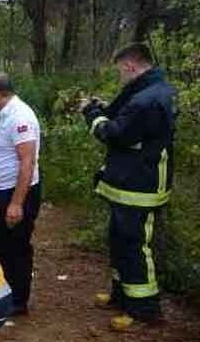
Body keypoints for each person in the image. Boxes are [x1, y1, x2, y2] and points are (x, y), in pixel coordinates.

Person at [81, 43, 176, 331]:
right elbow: (125, 114)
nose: (120, 75)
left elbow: (116, 134)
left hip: (141, 186)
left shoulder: (147, 99)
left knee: (134, 246)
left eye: (120, 70)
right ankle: (122, 296)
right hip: (130, 181)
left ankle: (146, 311)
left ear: (130, 66)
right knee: (120, 240)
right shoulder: (149, 90)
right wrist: (104, 107)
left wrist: (91, 115)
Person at [0, 71, 41, 316]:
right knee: (2, 243)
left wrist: (16, 204)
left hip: (18, 194)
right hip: (4, 191)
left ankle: (18, 300)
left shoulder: (19, 117)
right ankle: (4, 293)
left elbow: (27, 162)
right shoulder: (7, 114)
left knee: (16, 245)